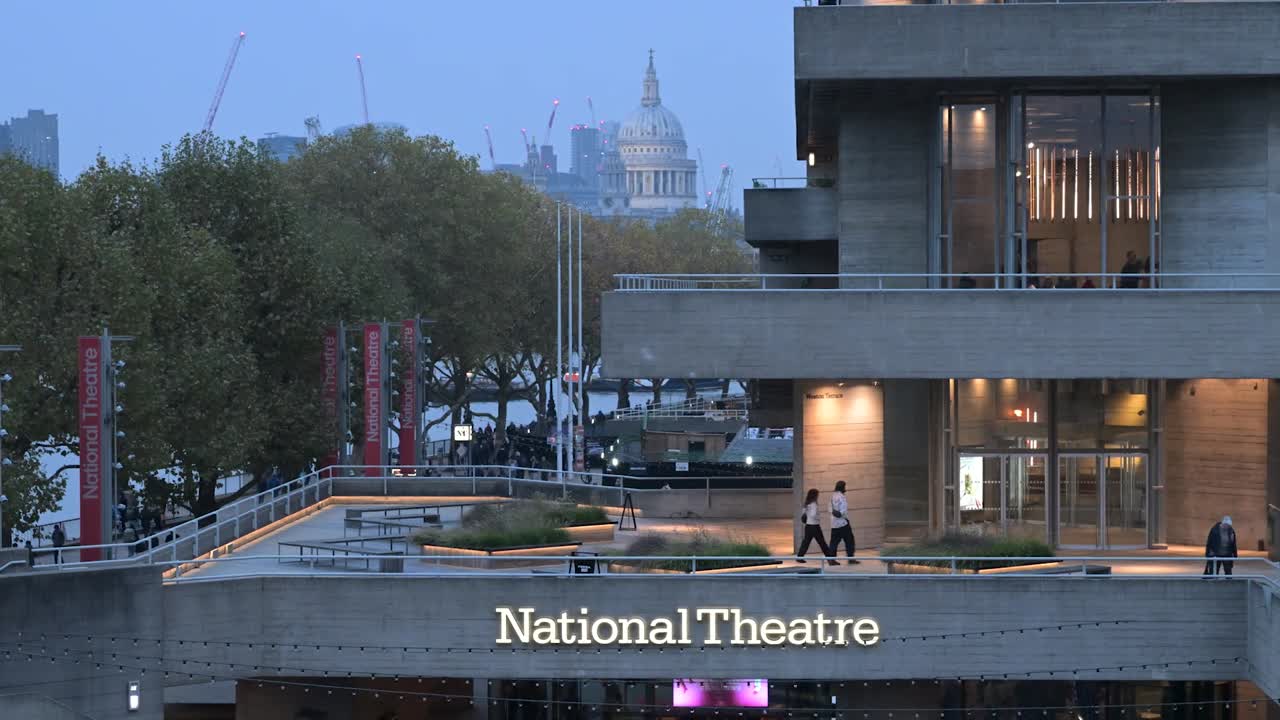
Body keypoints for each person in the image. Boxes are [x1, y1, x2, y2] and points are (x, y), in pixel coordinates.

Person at [797, 488, 838, 565]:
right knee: (822, 543)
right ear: (814, 496)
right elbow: (813, 515)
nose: (818, 496)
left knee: (806, 542)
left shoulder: (806, 504)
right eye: (817, 495)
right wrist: (818, 517)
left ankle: (799, 557)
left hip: (808, 526)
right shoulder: (813, 504)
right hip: (815, 526)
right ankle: (830, 560)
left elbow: (804, 514)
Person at [829, 481, 859, 564]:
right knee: (849, 541)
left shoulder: (833, 496)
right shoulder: (841, 497)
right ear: (843, 487)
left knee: (833, 542)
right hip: (843, 523)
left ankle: (831, 559)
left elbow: (830, 509)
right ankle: (850, 558)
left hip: (834, 523)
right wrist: (841, 515)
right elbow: (843, 511)